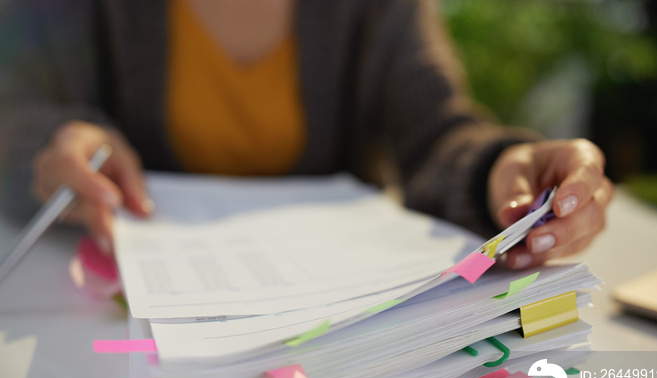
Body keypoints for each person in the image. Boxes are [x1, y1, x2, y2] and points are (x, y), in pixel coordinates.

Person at [0, 0, 613, 269]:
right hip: (95, 329)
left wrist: (501, 167)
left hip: (331, 336)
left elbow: (437, 133)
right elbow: (16, 106)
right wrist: (52, 144)